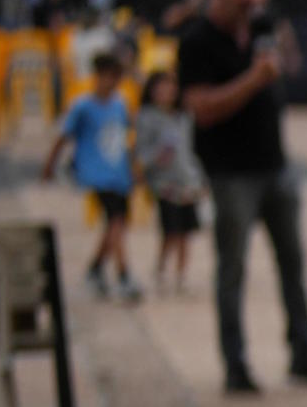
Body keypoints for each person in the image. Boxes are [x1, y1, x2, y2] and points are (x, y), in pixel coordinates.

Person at [179, 0, 307, 395]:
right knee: (233, 272)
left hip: (276, 167)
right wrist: (253, 79)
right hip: (232, 175)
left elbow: (291, 65)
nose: (250, 1)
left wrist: (274, 32)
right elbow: (202, 109)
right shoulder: (197, 42)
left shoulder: (263, 29)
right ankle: (236, 365)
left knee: (294, 266)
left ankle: (303, 354)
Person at [44, 50, 139, 301]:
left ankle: (96, 268)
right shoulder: (83, 105)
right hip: (97, 173)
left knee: (116, 224)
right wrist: (50, 166)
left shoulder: (120, 104)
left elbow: (125, 138)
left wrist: (134, 167)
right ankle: (124, 274)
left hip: (118, 172)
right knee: (116, 221)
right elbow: (63, 137)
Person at [134, 65, 206, 295]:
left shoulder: (184, 117)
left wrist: (200, 179)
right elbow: (141, 152)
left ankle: (181, 274)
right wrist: (155, 159)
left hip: (187, 181)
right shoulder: (146, 118)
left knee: (186, 231)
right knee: (170, 231)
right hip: (164, 184)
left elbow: (192, 150)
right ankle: (162, 269)